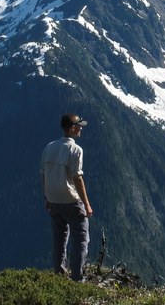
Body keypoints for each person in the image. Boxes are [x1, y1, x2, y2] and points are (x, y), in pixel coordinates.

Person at [39, 113, 94, 281]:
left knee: (59, 238)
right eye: (79, 125)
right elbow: (77, 177)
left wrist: (47, 197)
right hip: (71, 200)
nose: (81, 128)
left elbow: (43, 174)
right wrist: (86, 204)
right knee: (81, 238)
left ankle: (59, 272)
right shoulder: (76, 149)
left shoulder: (49, 147)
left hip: (53, 200)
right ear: (72, 128)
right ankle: (77, 278)